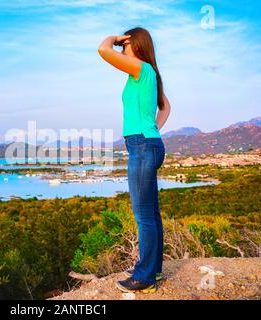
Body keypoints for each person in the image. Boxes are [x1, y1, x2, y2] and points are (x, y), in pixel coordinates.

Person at [98, 27, 171, 293]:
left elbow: (103, 49)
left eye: (125, 45)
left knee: (143, 215)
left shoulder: (142, 69)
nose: (121, 50)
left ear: (135, 45)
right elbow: (166, 107)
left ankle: (144, 277)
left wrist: (114, 38)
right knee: (151, 213)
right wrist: (153, 130)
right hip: (146, 142)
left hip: (142, 144)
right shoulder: (146, 73)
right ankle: (153, 269)